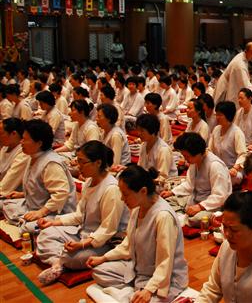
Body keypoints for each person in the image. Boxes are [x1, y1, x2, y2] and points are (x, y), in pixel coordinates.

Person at [88, 165, 189, 303]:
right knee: (99, 271)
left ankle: (129, 294)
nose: (122, 199)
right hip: (139, 270)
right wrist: (104, 258)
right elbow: (128, 244)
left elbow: (166, 261)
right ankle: (131, 293)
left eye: (126, 194)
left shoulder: (163, 216)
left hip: (167, 278)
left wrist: (149, 290)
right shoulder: (137, 207)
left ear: (143, 191)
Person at [35, 141, 129, 285]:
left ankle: (63, 261)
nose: (78, 166)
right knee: (45, 235)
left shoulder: (111, 189)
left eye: (82, 162)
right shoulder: (89, 182)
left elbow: (108, 230)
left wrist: (81, 245)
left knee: (73, 258)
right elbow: (79, 215)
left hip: (104, 242)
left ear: (98, 163)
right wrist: (53, 222)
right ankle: (59, 263)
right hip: (83, 232)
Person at [2, 120, 77, 233]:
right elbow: (40, 186)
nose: (21, 142)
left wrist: (41, 212)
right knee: (5, 205)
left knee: (29, 228)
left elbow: (61, 193)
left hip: (55, 212)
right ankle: (24, 220)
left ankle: (25, 222)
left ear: (39, 143)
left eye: (25, 139)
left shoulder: (51, 163)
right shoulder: (33, 156)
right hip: (34, 204)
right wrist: (23, 194)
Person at [161, 133, 231, 228]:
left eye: (187, 156)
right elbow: (189, 185)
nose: (186, 159)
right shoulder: (194, 162)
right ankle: (181, 216)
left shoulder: (215, 165)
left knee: (196, 219)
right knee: (167, 201)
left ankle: (179, 217)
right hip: (195, 198)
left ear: (198, 153)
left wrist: (199, 207)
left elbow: (220, 196)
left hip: (212, 206)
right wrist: (172, 192)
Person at [208, 101, 247, 185]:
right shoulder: (216, 129)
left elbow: (243, 154)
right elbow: (210, 150)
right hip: (218, 167)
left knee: (229, 178)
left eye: (220, 115)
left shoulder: (237, 132)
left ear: (228, 116)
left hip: (232, 170)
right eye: (216, 114)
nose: (217, 117)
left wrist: (235, 168)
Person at [136, 114, 177, 182]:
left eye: (142, 131)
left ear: (152, 131)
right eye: (138, 130)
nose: (138, 133)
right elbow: (140, 168)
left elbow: (162, 177)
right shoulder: (144, 145)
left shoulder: (163, 150)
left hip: (164, 185)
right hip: (148, 180)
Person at [97, 104, 131, 171]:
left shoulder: (116, 135)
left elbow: (115, 164)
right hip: (107, 166)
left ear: (108, 119)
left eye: (99, 116)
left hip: (119, 171)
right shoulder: (105, 131)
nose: (96, 119)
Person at [0, 118, 30, 196]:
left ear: (13, 133)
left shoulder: (24, 153)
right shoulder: (5, 147)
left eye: (1, 134)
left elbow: (5, 186)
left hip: (13, 194)